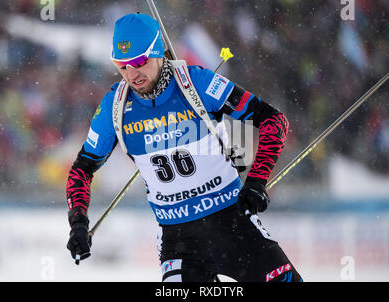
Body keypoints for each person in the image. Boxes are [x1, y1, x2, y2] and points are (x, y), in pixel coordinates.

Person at [66, 12, 302, 282]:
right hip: (179, 241)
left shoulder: (197, 83)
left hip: (233, 222)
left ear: (157, 52)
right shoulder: (115, 107)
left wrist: (257, 181)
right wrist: (78, 224)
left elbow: (273, 119)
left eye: (139, 61)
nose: (132, 74)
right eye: (122, 65)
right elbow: (81, 170)